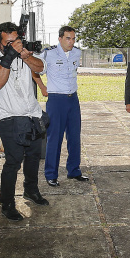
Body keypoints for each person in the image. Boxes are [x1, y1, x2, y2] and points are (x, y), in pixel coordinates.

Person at [0, 22, 50, 221]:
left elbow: (42, 68)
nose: (14, 45)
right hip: (8, 115)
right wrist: (10, 56)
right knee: (13, 160)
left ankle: (31, 190)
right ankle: (7, 203)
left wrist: (26, 57)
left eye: (16, 42)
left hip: (32, 113)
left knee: (33, 156)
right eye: (9, 43)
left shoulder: (23, 53)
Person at [43, 26, 89, 187]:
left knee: (75, 137)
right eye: (68, 38)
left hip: (72, 99)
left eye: (74, 38)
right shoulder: (48, 54)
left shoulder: (77, 53)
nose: (71, 42)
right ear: (60, 38)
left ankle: (74, 171)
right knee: (54, 138)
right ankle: (51, 174)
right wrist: (42, 87)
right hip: (56, 100)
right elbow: (35, 69)